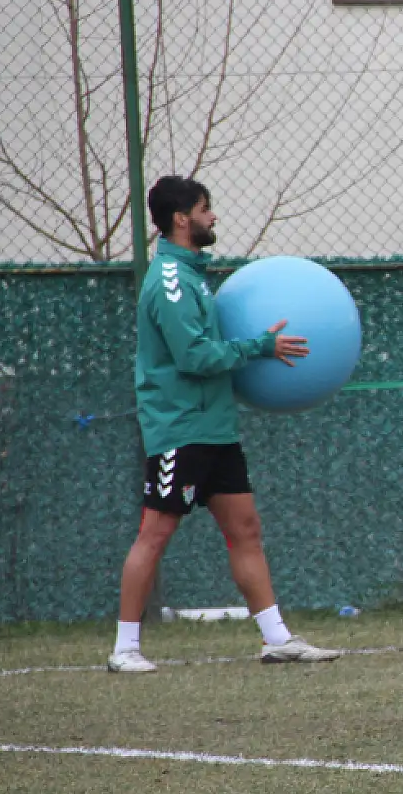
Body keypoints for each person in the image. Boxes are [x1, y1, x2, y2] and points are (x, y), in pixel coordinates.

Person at [108, 176, 342, 672]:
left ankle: (277, 639)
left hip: (215, 428)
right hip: (180, 429)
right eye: (205, 209)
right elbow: (192, 356)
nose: (213, 217)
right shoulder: (170, 281)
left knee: (246, 530)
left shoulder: (193, 276)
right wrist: (260, 347)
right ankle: (125, 649)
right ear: (181, 219)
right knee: (155, 533)